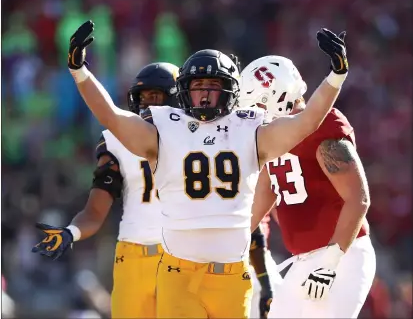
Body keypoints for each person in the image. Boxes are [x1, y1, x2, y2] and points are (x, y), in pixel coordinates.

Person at [67, 20, 349, 318]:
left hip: (232, 276)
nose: (203, 96)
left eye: (212, 87)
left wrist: (336, 76)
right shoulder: (164, 127)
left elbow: (306, 123)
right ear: (184, 91)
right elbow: (111, 116)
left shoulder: (251, 128)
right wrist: (80, 71)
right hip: (179, 273)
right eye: (197, 87)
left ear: (229, 90)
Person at [32, 62, 180, 319]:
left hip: (182, 257)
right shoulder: (116, 139)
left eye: (154, 96)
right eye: (142, 98)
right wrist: (71, 232)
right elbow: (96, 210)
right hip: (133, 258)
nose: (147, 105)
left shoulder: (198, 138)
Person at [243, 54, 375, 318]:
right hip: (303, 260)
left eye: (256, 102)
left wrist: (330, 263)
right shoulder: (275, 138)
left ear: (275, 97)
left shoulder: (323, 126)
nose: (252, 112)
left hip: (341, 257)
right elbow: (259, 204)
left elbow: (358, 198)